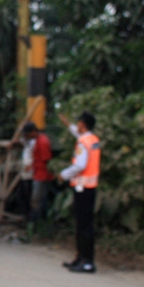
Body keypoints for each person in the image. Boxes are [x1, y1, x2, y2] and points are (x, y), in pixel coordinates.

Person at [58, 112, 101, 274]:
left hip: (82, 187)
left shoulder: (83, 143)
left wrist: (63, 174)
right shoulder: (93, 140)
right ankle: (81, 257)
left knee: (83, 225)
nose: (77, 125)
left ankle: (86, 261)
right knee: (84, 224)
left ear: (83, 124)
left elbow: (80, 165)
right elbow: (78, 134)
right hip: (90, 187)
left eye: (78, 123)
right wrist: (68, 124)